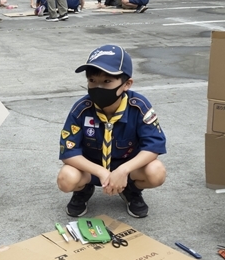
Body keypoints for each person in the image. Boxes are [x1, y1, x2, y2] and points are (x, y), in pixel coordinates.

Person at [57, 45, 167, 218]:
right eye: (92, 81)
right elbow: (68, 152)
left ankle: (132, 189)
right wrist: (101, 172)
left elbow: (154, 146)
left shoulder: (139, 107)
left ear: (127, 84)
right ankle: (83, 190)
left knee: (156, 172)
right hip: (91, 169)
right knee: (66, 178)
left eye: (107, 82)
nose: (97, 87)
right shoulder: (81, 109)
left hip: (127, 168)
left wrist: (123, 171)